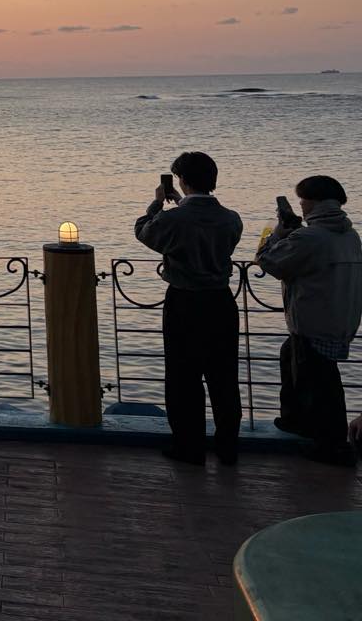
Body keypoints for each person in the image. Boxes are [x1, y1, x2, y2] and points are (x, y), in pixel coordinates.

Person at [135, 151, 243, 465]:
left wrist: (157, 204)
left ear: (181, 180)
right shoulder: (231, 218)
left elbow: (144, 232)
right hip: (221, 301)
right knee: (224, 376)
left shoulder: (172, 219)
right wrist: (180, 203)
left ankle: (189, 446)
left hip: (184, 301)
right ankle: (227, 446)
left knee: (184, 376)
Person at [256, 175, 362, 466]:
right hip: (340, 317)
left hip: (313, 320)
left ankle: (333, 446)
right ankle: (296, 421)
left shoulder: (309, 237)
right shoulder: (350, 235)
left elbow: (267, 260)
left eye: (302, 200)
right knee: (292, 357)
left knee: (322, 383)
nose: (300, 205)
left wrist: (275, 233)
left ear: (314, 202)